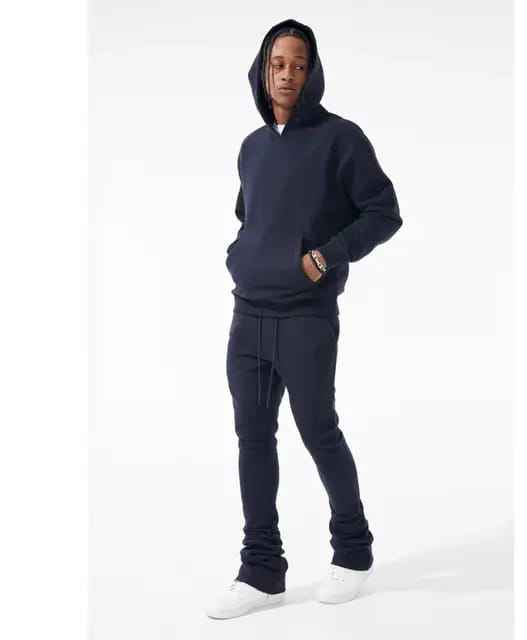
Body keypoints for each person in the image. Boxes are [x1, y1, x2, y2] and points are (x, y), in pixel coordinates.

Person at [205, 18, 402, 619]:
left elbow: (383, 212)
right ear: (262, 71)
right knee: (252, 439)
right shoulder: (252, 146)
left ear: (312, 72)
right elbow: (251, 217)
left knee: (319, 432)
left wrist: (322, 257)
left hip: (306, 319)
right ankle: (262, 569)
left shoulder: (342, 139)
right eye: (277, 63)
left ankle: (354, 552)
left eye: (298, 64)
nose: (287, 74)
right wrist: (242, 256)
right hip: (248, 316)